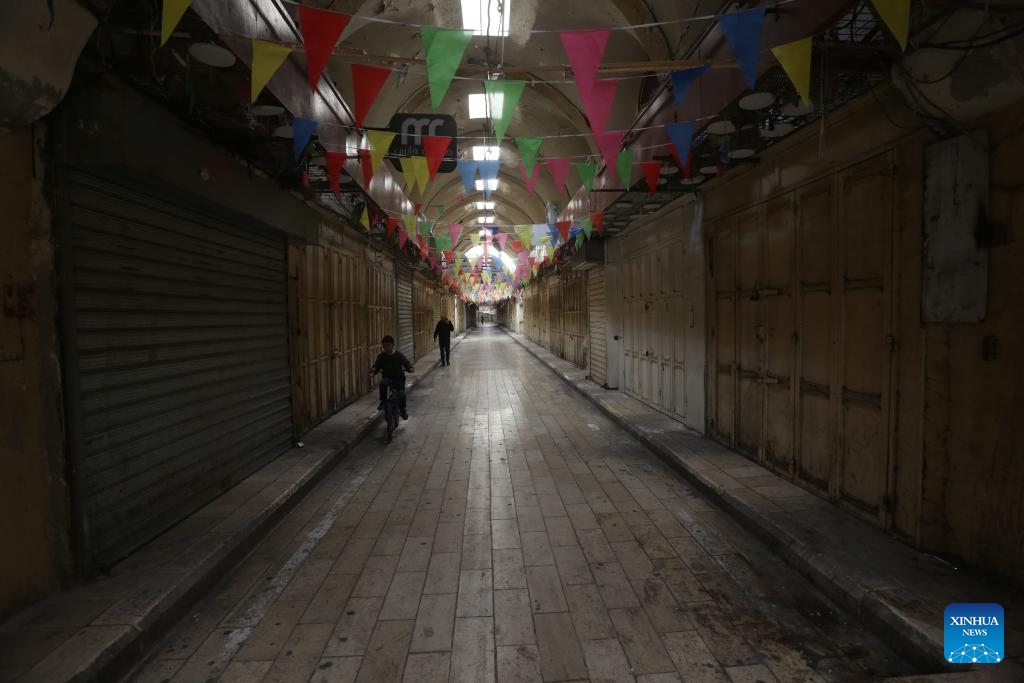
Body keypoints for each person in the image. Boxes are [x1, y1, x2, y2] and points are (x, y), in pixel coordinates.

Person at [370, 335, 414, 420]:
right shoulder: (381, 356)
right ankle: (382, 402)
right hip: (387, 377)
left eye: (388, 345)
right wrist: (374, 370)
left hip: (398, 378)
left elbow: (406, 362)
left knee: (401, 393)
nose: (386, 348)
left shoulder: (398, 355)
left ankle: (403, 411)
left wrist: (410, 368)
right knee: (382, 384)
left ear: (393, 345)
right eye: (384, 346)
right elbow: (377, 365)